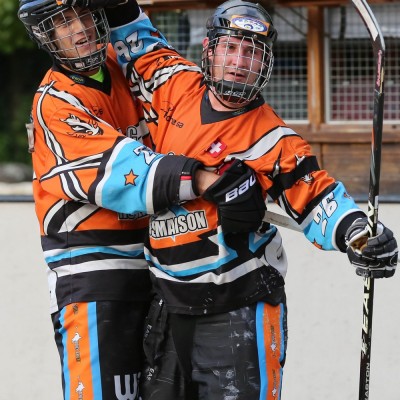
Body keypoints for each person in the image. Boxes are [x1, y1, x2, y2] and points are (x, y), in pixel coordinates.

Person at [60, 0, 398, 399]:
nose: (239, 62)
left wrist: (360, 234)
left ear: (266, 63)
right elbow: (139, 40)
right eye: (231, 47)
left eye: (252, 52)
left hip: (238, 310)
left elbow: (320, 200)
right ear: (209, 49)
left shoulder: (275, 141)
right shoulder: (174, 85)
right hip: (166, 308)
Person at [17, 1, 268, 399]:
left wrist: (246, 169)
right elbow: (120, 171)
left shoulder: (126, 67)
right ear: (44, 35)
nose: (80, 28)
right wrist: (207, 180)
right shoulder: (55, 101)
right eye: (63, 23)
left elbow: (186, 95)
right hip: (94, 281)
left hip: (157, 273)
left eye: (85, 14)